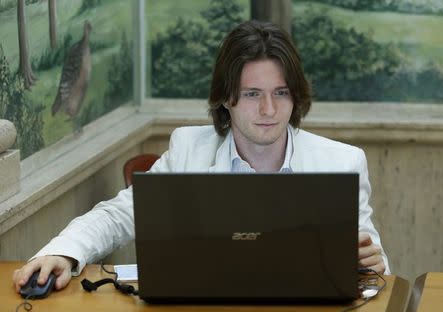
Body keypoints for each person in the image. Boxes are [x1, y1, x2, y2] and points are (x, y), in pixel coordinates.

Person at [13, 20, 389, 293]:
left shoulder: (343, 162)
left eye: (282, 93)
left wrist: (372, 267)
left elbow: (377, 273)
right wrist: (63, 253)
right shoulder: (188, 150)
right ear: (227, 97)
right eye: (253, 94)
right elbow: (117, 215)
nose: (270, 110)